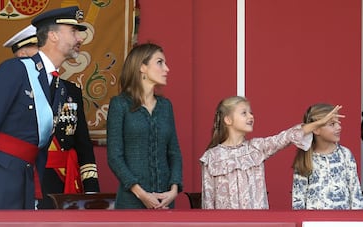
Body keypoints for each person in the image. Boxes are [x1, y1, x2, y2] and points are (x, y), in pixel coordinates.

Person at [0, 6, 88, 210]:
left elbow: (41, 143)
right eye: (73, 32)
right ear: (53, 35)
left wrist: (35, 188)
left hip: (26, 179)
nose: (80, 38)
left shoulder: (59, 86)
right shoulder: (15, 70)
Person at [3, 24, 100, 209]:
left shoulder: (70, 90)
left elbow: (83, 145)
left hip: (64, 183)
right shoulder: (12, 88)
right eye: (39, 49)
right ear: (22, 55)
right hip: (27, 180)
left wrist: (91, 190)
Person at [199, 96, 343, 209]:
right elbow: (208, 202)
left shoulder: (257, 147)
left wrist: (317, 123)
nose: (251, 116)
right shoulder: (211, 157)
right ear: (228, 120)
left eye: (251, 112)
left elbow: (286, 137)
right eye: (244, 113)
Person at [107, 43, 183, 209]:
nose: (167, 69)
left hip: (165, 201)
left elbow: (174, 152)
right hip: (131, 201)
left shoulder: (165, 106)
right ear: (142, 66)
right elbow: (114, 156)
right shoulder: (120, 104)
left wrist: (174, 189)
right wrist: (141, 193)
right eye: (160, 62)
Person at [292, 103, 363, 209]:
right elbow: (298, 199)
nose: (339, 127)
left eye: (338, 123)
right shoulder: (305, 159)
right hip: (313, 223)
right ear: (316, 129)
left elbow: (355, 192)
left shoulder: (345, 154)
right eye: (332, 124)